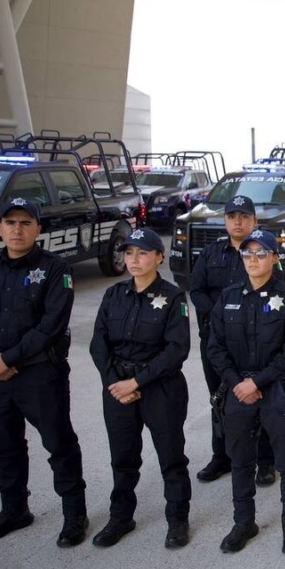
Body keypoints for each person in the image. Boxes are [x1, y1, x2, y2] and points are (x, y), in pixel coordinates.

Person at [0, 198, 87, 547]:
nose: (17, 229)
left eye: (25, 222)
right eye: (10, 222)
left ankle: (75, 514)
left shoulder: (56, 268)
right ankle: (15, 510)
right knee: (4, 447)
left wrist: (8, 359)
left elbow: (50, 327)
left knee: (59, 443)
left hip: (39, 375)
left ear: (38, 229)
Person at [89, 227, 192, 549]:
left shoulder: (173, 297)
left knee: (171, 458)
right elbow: (98, 344)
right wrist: (115, 385)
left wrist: (136, 382)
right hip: (118, 388)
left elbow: (177, 349)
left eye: (143, 253)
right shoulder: (114, 295)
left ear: (159, 257)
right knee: (123, 458)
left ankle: (177, 520)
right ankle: (121, 517)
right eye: (129, 253)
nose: (134, 259)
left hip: (160, 389)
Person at [208, 230, 285, 554]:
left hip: (278, 390)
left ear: (275, 258)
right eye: (247, 253)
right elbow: (216, 347)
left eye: (261, 253)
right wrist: (239, 383)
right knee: (240, 460)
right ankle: (243, 523)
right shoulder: (228, 297)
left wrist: (257, 382)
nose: (253, 259)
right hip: (238, 390)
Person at [190, 196, 277, 487]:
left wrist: (235, 313)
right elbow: (196, 290)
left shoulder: (261, 252)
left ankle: (265, 461)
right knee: (219, 399)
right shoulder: (211, 253)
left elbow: (270, 290)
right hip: (215, 340)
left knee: (260, 397)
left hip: (253, 341)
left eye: (244, 216)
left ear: (254, 221)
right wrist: (224, 312)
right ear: (225, 220)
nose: (237, 222)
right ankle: (222, 456)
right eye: (231, 216)